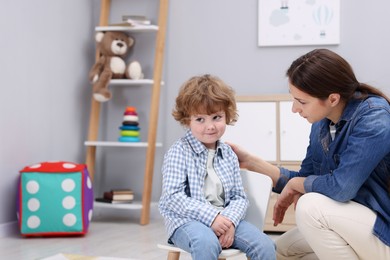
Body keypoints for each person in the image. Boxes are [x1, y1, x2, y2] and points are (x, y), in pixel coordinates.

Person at [228, 48, 390, 260]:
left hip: (382, 229)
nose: (294, 109)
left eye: (302, 102)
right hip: (353, 223)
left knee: (310, 207)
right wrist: (251, 162)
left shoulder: (373, 116)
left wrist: (298, 186)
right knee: (277, 250)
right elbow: (303, 178)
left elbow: (342, 188)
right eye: (293, 99)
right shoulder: (322, 124)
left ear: (332, 99)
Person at [158, 74, 276, 260]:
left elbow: (239, 197)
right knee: (206, 243)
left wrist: (228, 221)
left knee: (265, 245)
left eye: (216, 117)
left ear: (226, 115)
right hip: (186, 222)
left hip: (225, 219)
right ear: (187, 120)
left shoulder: (228, 154)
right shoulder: (178, 152)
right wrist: (212, 218)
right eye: (200, 119)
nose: (210, 126)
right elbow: (173, 198)